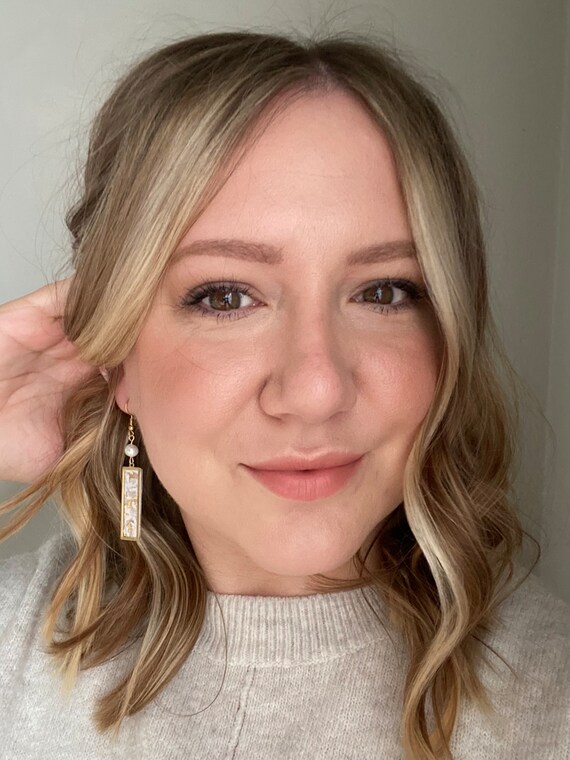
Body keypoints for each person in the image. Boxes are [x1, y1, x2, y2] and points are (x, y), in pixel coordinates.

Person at [0, 29, 568, 760]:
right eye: (226, 296)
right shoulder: (14, 644)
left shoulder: (549, 699)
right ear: (115, 359)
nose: (317, 390)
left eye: (383, 291)